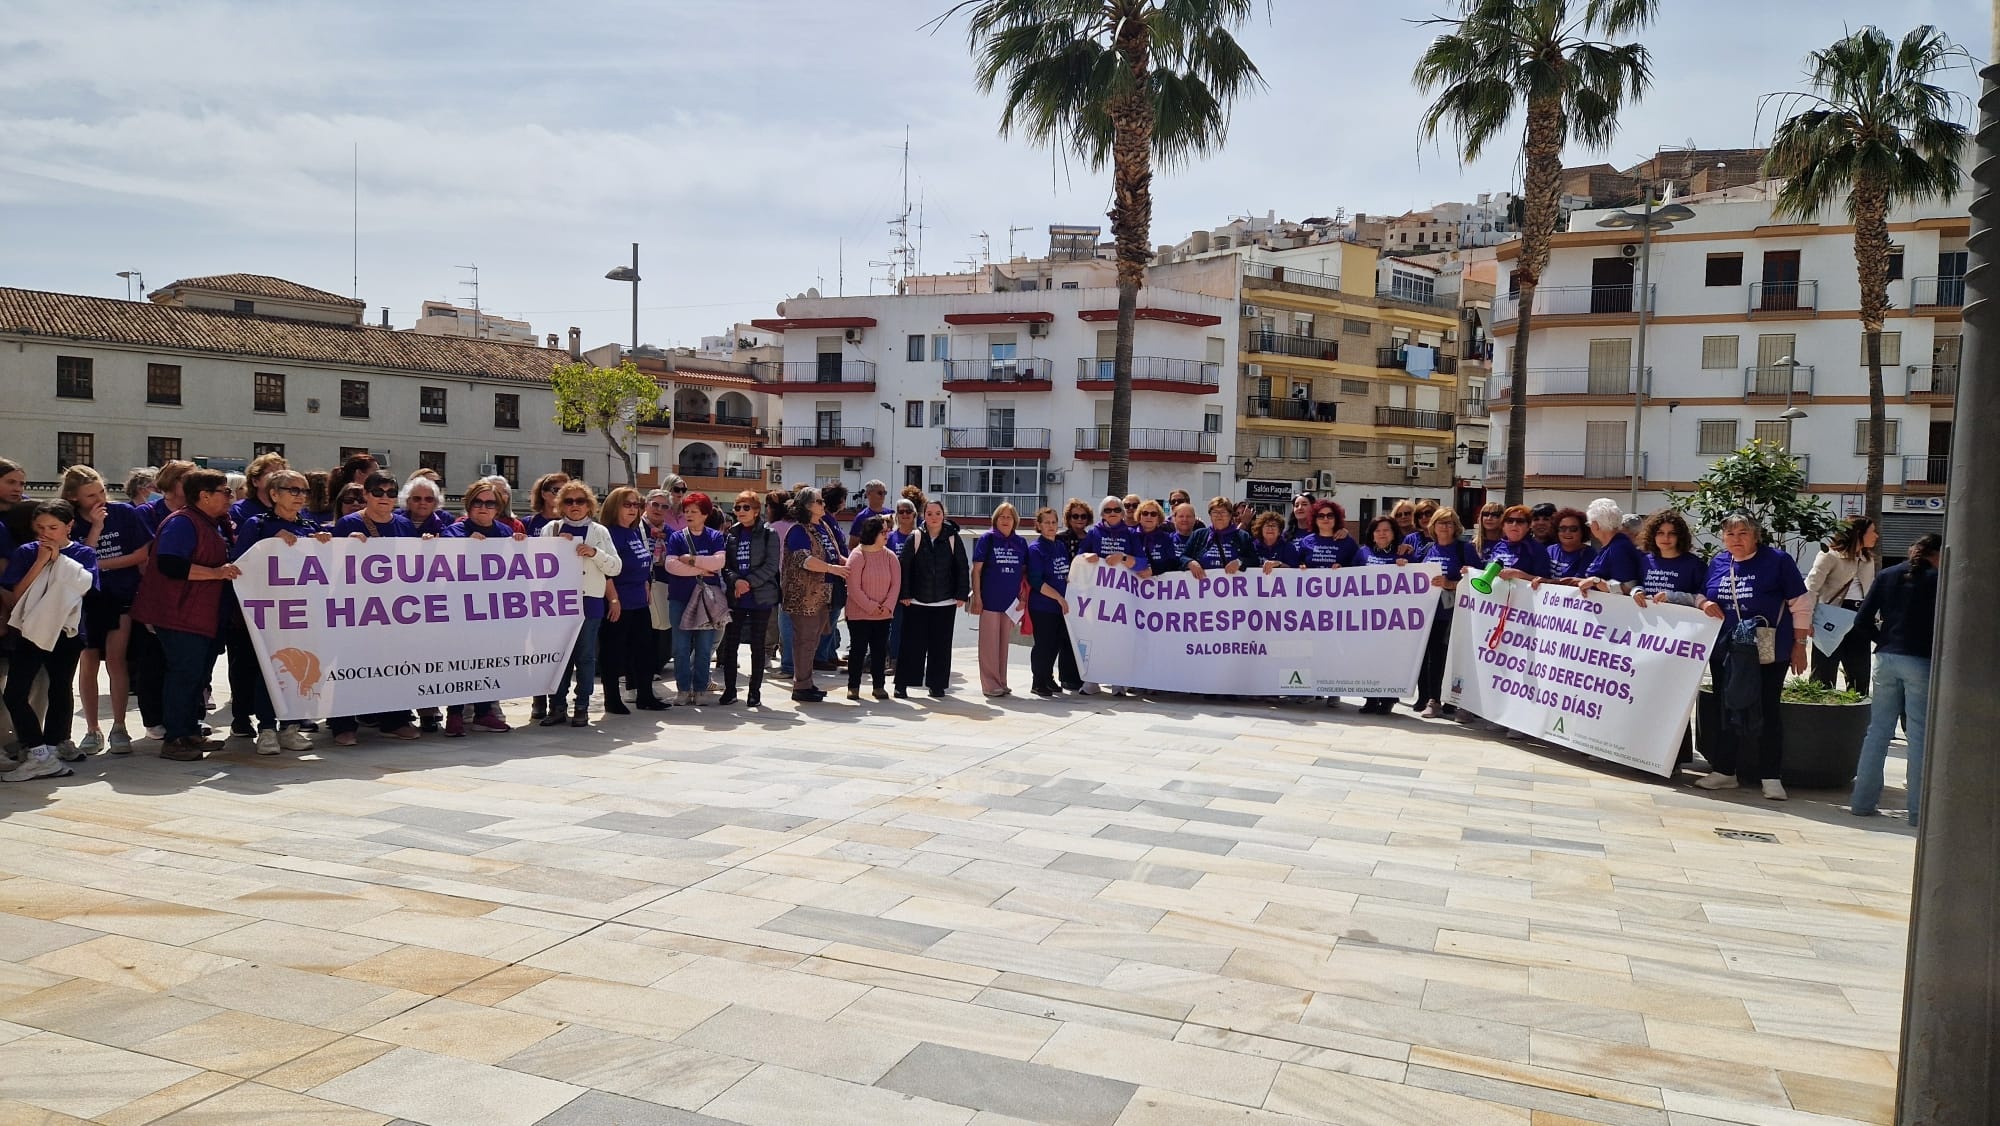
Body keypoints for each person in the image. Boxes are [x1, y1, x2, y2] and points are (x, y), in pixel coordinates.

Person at [1695, 513, 1810, 800]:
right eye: (1730, 534)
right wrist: (1705, 602)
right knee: (1727, 707)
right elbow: (1699, 594)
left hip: (1769, 650)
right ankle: (1724, 771)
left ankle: (1771, 776)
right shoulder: (1719, 563)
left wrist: (1800, 644)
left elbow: (1801, 603)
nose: (1737, 539)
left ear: (1756, 535)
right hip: (1728, 650)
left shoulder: (1778, 561)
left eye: (1743, 533)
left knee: (1768, 710)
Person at [129, 469, 239, 761]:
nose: (231, 497)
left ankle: (190, 732)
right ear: (204, 496)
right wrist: (216, 573)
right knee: (184, 674)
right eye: (225, 491)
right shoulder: (182, 523)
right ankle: (176, 738)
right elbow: (170, 565)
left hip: (201, 614)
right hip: (180, 614)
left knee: (196, 676)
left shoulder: (211, 522)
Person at [231, 469, 326, 752]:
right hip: (270, 613)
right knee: (271, 670)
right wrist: (269, 545)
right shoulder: (257, 525)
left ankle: (291, 727)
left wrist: (326, 543)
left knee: (301, 668)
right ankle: (267, 728)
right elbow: (241, 565)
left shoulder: (310, 526)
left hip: (303, 613)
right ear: (274, 494)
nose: (300, 496)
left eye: (304, 491)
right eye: (293, 490)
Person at [2, 500, 98, 780]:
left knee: (60, 687)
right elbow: (17, 593)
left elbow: (87, 589)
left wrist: (60, 562)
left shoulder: (83, 554)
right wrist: (42, 562)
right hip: (30, 630)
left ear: (69, 526)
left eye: (53, 527)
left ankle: (55, 746)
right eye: (41, 527)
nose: (46, 533)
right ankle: (37, 749)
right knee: (15, 692)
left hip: (66, 633)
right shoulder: (26, 552)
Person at [1849, 534, 1939, 826]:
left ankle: (1862, 803)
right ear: (1936, 555)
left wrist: (1884, 640)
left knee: (1877, 732)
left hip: (1886, 657)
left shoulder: (1887, 575)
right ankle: (1917, 812)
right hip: (1922, 661)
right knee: (1918, 736)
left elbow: (1861, 620)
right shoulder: (1940, 579)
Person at [62, 466, 151, 756]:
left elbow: (141, 554)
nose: (99, 498)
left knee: (116, 660)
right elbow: (76, 559)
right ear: (75, 498)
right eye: (90, 495)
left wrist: (99, 566)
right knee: (88, 663)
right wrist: (97, 530)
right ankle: (92, 728)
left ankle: (120, 725)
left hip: (120, 595)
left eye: (101, 490)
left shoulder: (124, 514)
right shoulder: (69, 520)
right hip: (86, 599)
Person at [328, 472, 422, 744]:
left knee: (396, 663)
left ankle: (395, 719)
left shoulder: (405, 525)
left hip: (395, 609)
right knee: (351, 664)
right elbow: (331, 565)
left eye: (391, 493)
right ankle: (343, 724)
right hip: (358, 608)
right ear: (366, 495)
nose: (385, 498)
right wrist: (345, 547)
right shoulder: (348, 524)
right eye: (378, 492)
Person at [438, 479, 524, 735]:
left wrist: (521, 545)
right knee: (459, 662)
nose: (483, 507)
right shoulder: (455, 531)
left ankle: (484, 712)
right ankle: (454, 714)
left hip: (493, 612)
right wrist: (464, 547)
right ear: (469, 504)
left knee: (489, 660)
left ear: (498, 507)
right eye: (478, 502)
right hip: (459, 611)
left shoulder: (505, 533)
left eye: (490, 503)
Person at [539, 481, 621, 727]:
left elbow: (616, 567)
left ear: (589, 505)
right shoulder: (550, 529)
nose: (574, 506)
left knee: (585, 657)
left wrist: (595, 553)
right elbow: (538, 566)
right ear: (560, 504)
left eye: (580, 501)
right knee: (559, 657)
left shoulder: (599, 532)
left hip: (590, 600)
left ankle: (582, 706)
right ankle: (557, 706)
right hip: (558, 603)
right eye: (568, 501)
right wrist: (557, 547)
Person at [897, 499, 968, 699]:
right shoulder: (916, 537)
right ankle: (902, 684)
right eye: (929, 514)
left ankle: (937, 685)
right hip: (917, 601)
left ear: (943, 515)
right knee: (911, 644)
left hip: (945, 602)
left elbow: (962, 567)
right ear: (923, 516)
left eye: (937, 513)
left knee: (941, 647)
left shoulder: (953, 538)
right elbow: (905, 568)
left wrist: (962, 594)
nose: (934, 517)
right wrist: (905, 594)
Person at [597, 486, 659, 715]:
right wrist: (613, 600)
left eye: (636, 505)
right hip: (618, 602)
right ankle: (612, 700)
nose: (633, 509)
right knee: (613, 653)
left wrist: (646, 586)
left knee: (644, 651)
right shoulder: (609, 533)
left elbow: (642, 562)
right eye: (627, 504)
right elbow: (605, 570)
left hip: (639, 601)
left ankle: (645, 695)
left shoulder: (634, 532)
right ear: (615, 507)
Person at [781, 487, 846, 703]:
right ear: (807, 505)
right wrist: (832, 568)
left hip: (823, 592)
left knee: (813, 640)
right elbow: (805, 560)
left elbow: (835, 555)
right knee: (805, 640)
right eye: (818, 501)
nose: (823, 504)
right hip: (804, 595)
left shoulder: (824, 525)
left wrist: (848, 565)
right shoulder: (798, 530)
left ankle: (806, 683)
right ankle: (801, 686)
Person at [718, 490, 780, 708]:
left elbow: (772, 566)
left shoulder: (769, 534)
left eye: (746, 508)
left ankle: (754, 691)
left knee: (757, 645)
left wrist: (749, 583)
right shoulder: (731, 534)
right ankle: (730, 689)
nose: (741, 512)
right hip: (736, 597)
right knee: (731, 645)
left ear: (756, 511)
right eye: (737, 508)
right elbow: (725, 566)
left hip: (760, 597)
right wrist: (736, 581)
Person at [663, 491, 725, 706]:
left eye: (694, 511)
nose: (689, 515)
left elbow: (718, 563)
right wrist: (700, 569)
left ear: (705, 514)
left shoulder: (715, 536)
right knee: (680, 646)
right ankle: (682, 689)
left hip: (707, 600)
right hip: (680, 597)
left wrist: (690, 560)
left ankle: (699, 689)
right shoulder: (677, 537)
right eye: (686, 511)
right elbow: (671, 565)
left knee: (704, 646)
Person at [1805, 517, 1879, 694]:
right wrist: (1806, 620)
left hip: (1860, 618)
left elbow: (1870, 591)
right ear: (1859, 533)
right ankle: (1819, 713)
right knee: (1823, 673)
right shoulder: (1829, 555)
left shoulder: (1868, 560)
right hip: (1832, 617)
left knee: (1859, 673)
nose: (1876, 536)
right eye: (1872, 531)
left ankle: (1855, 715)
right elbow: (1811, 588)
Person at [1414, 509, 1476, 718]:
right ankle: (1434, 700)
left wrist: (1450, 584)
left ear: (1456, 526)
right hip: (1430, 614)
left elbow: (1475, 582)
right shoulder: (1428, 549)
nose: (1445, 527)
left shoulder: (1464, 550)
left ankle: (1458, 701)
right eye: (1441, 522)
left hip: (1455, 614)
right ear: (1433, 525)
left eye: (1450, 523)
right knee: (1434, 658)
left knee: (1456, 658)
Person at [1353, 515, 1409, 715]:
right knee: (1369, 657)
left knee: (1390, 658)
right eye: (1377, 530)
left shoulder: (1402, 554)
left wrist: (1407, 566)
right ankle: (1370, 698)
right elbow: (1349, 578)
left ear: (1394, 533)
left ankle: (1388, 698)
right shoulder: (1363, 553)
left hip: (1393, 617)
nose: (1382, 534)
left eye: (1386, 530)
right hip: (1367, 616)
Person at [971, 503, 1028, 697]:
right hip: (989, 600)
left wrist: (1023, 596)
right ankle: (989, 684)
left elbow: (1023, 573)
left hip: (1010, 602)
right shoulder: (987, 539)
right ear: (996, 519)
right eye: (1002, 516)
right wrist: (977, 596)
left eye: (1009, 517)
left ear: (1015, 521)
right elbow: (976, 570)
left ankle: (1001, 681)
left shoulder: (1020, 543)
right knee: (989, 645)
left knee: (1003, 644)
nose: (1005, 520)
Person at [1024, 506, 1083, 697]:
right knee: (1044, 644)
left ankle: (1048, 678)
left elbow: (1065, 573)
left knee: (1056, 644)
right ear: (1039, 525)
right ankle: (1038, 681)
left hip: (1060, 606)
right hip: (1043, 606)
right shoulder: (1035, 549)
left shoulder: (1059, 545)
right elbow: (1036, 581)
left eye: (1053, 522)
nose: (1051, 526)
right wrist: (1058, 597)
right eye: (1047, 522)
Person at [843, 515, 900, 701]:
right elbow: (853, 588)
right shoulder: (857, 555)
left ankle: (879, 686)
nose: (887, 534)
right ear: (872, 533)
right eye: (883, 531)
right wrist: (871, 607)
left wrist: (887, 606)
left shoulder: (890, 556)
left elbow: (896, 585)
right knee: (858, 650)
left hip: (883, 615)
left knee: (879, 651)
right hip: (859, 614)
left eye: (888, 531)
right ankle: (853, 686)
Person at [1629, 510, 1706, 606]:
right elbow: (1635, 585)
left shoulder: (1695, 564)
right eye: (1660, 533)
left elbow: (1702, 598)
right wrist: (1637, 591)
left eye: (1672, 533)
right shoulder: (1645, 561)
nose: (1666, 538)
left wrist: (1672, 597)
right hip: (1650, 617)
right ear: (1653, 535)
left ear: (1680, 536)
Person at [813, 481, 852, 671]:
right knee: (829, 618)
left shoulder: (831, 521)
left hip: (838, 573)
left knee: (833, 618)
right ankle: (821, 656)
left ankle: (829, 654)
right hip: (831, 575)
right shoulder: (825, 521)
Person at [1575, 498, 1644, 592]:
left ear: (1595, 525)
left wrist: (1596, 582)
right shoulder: (1613, 546)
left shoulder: (1619, 548)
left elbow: (1629, 587)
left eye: (1589, 524)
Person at [885, 498, 919, 671]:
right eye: (901, 511)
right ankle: (894, 660)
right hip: (895, 590)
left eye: (908, 511)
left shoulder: (921, 536)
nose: (905, 514)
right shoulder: (890, 537)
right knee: (896, 626)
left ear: (914, 514)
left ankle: (914, 660)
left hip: (917, 589)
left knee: (916, 628)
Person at [1183, 497, 1252, 581]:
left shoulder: (1243, 536)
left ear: (1230, 515)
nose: (1219, 515)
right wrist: (1190, 562)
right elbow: (1183, 557)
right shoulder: (1199, 535)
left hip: (1234, 589)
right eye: (1215, 512)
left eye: (1223, 512)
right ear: (1210, 515)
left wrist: (1239, 562)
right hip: (1201, 588)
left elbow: (1254, 560)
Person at [1487, 505, 1551, 581]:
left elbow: (1546, 582)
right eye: (1510, 521)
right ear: (1503, 526)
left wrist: (1521, 575)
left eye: (1520, 521)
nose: (1514, 524)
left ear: (1528, 527)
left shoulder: (1537, 550)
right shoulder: (1498, 546)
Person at [231, 451, 288, 527]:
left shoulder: (291, 509)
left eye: (281, 474)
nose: (277, 478)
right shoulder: (241, 510)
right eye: (271, 473)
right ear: (255, 481)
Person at [1294, 501, 1358, 569]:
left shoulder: (1348, 542)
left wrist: (1342, 568)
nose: (1326, 519)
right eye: (1321, 516)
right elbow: (1297, 562)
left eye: (1330, 515)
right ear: (1315, 520)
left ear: (1336, 519)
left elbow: (1358, 566)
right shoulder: (1306, 541)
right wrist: (1301, 566)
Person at [1544, 507, 1597, 580]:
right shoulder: (1550, 550)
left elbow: (1575, 582)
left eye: (1573, 529)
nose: (1567, 532)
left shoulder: (1590, 554)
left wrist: (1548, 581)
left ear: (1582, 531)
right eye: (1562, 529)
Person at [1131, 500, 1181, 576]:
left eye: (1153, 514)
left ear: (1158, 518)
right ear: (1139, 516)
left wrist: (1153, 570)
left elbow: (1172, 563)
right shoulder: (1131, 535)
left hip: (1159, 583)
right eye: (1145, 513)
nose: (1149, 516)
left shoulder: (1166, 538)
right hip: (1133, 581)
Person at [848, 480, 892, 549]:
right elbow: (852, 545)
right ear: (868, 494)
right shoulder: (861, 517)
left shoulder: (891, 514)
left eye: (884, 493)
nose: (883, 496)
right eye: (880, 493)